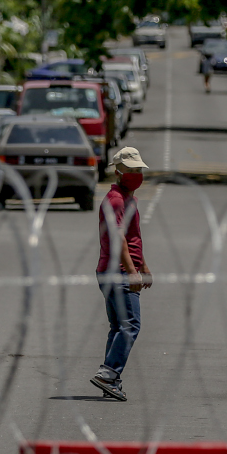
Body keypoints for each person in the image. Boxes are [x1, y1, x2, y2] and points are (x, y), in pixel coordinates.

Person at [90, 147, 153, 401]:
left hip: (116, 271)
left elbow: (133, 237)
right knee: (130, 325)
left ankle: (111, 379)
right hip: (117, 273)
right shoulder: (116, 200)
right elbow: (118, 239)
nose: (136, 174)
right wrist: (131, 272)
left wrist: (144, 266)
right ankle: (108, 373)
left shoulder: (128, 199)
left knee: (118, 327)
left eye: (139, 170)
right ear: (118, 172)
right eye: (131, 170)